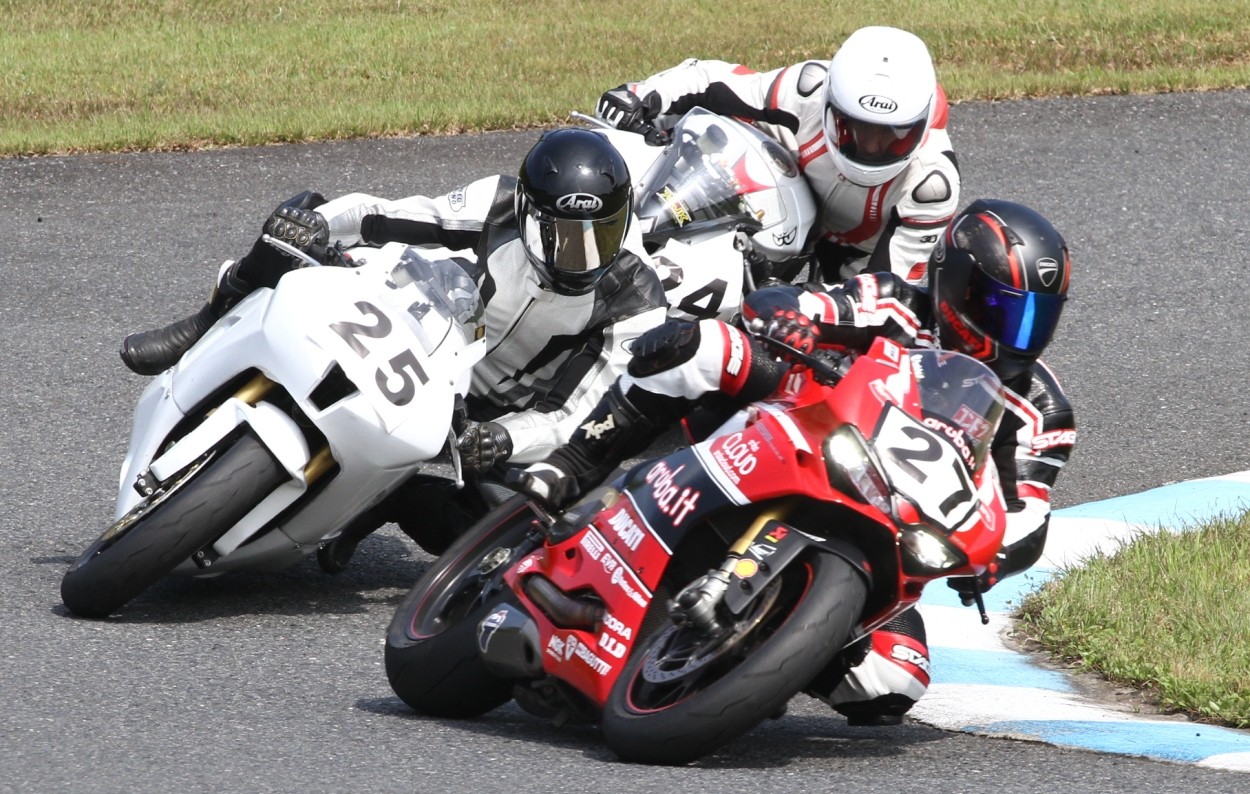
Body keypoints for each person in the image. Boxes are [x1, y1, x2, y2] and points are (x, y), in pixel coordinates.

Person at [507, 198, 1076, 726]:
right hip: (795, 428)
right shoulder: (896, 302)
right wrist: (788, 319)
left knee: (892, 677)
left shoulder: (1041, 410)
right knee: (706, 348)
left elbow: (1027, 511)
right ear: (954, 281)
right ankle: (574, 464)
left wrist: (997, 555)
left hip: (891, 524)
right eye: (1002, 308)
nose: (1017, 333)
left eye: (1036, 318)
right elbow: (798, 302)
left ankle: (745, 661)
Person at [120, 128, 669, 556]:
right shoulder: (498, 204)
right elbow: (383, 215)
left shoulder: (638, 301)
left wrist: (503, 438)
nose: (582, 256)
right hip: (423, 330)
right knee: (294, 224)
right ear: (528, 212)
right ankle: (206, 319)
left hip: (488, 419)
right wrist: (317, 225)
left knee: (518, 541)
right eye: (562, 236)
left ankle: (396, 499)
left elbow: (573, 416)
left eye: (599, 235)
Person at [594, 25, 960, 286]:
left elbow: (887, 291)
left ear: (922, 122)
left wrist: (813, 308)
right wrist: (641, 95)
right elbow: (711, 81)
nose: (873, 146)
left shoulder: (931, 186)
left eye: (892, 135)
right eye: (856, 129)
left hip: (855, 258)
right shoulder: (807, 90)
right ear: (830, 104)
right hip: (767, 204)